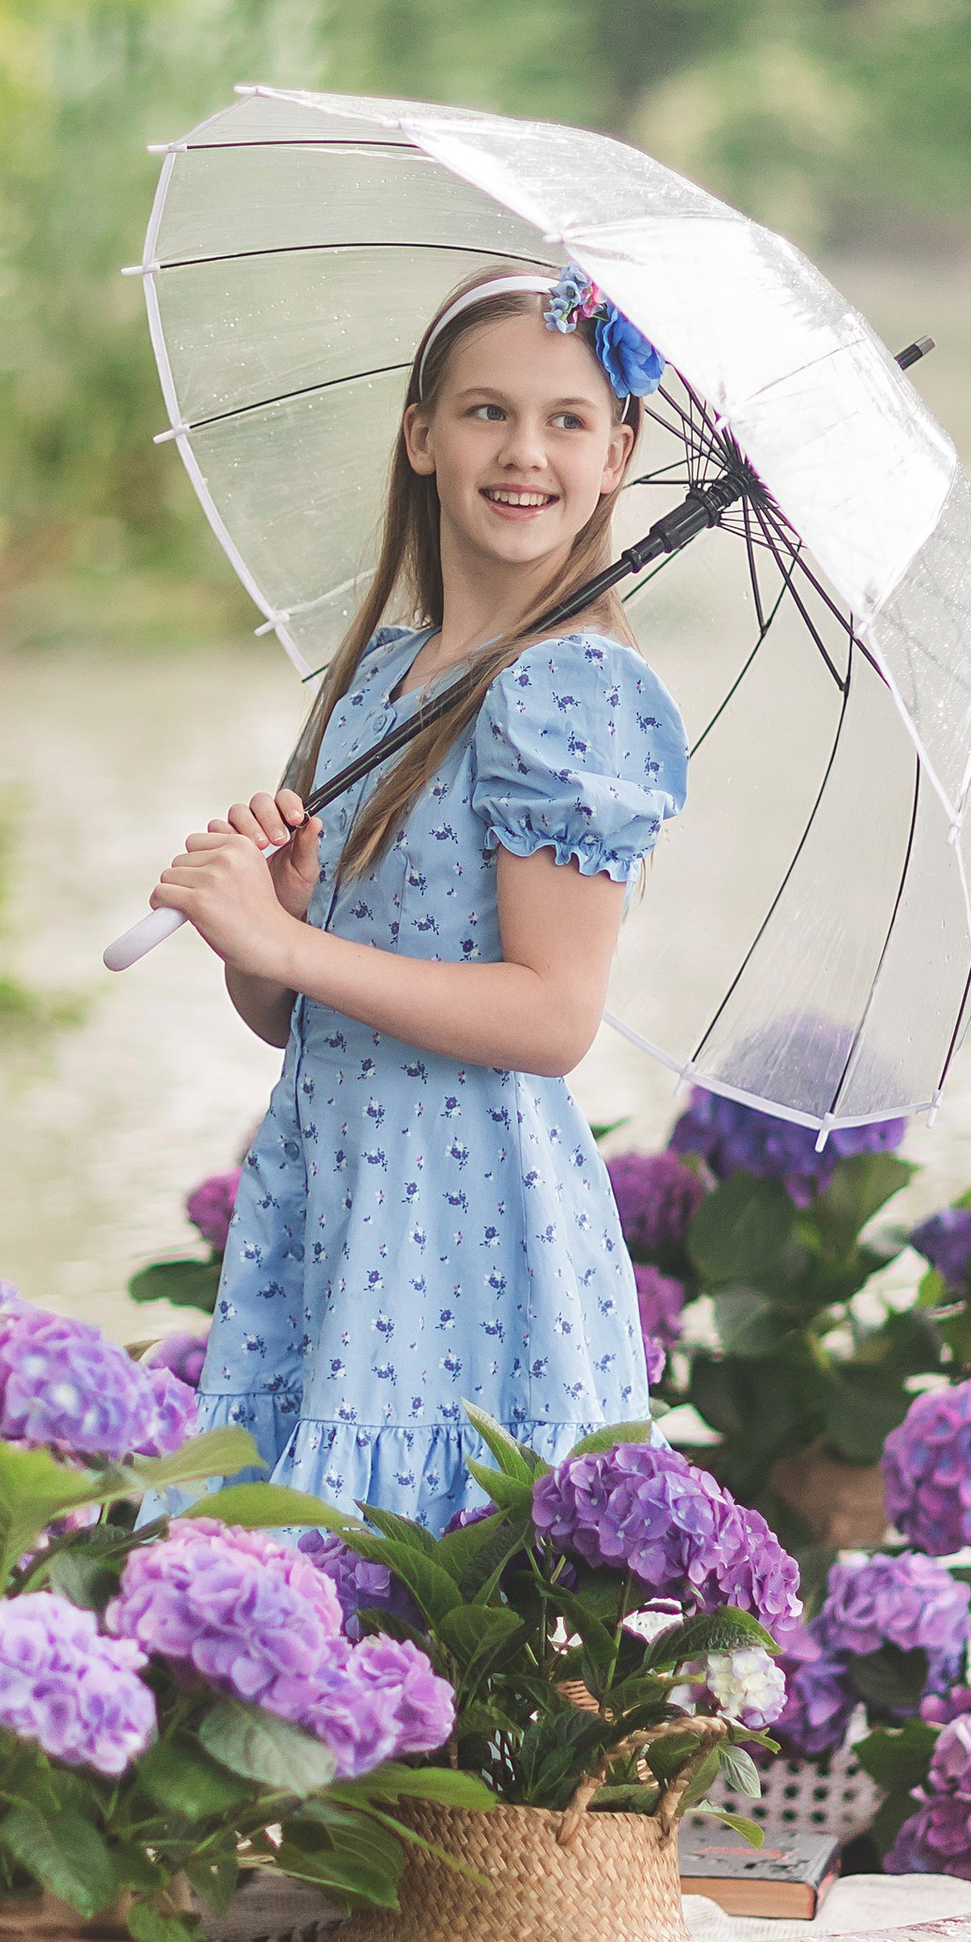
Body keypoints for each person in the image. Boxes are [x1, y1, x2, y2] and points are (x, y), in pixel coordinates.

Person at [144, 263, 688, 1531]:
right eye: (488, 412)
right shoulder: (377, 678)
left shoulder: (573, 691)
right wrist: (263, 932)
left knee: (404, 1590)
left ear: (618, 455)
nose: (524, 453)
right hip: (330, 1193)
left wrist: (296, 943)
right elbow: (289, 1016)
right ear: (421, 434)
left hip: (463, 1226)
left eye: (566, 421)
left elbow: (553, 1016)